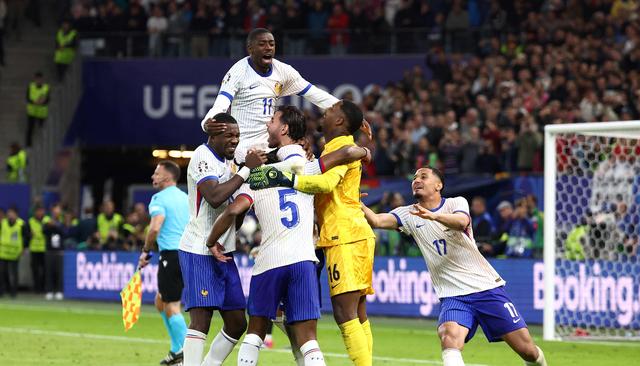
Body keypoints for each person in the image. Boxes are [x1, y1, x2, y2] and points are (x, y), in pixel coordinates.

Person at [209, 105, 370, 366]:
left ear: (283, 128)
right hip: (304, 260)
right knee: (309, 341)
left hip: (269, 262)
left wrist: (212, 241)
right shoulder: (307, 167)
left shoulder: (259, 176)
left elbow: (233, 210)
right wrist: (363, 150)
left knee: (254, 335)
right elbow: (345, 156)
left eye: (272, 120)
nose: (267, 124)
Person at [359, 167, 548, 366]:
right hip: (453, 295)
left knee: (527, 351)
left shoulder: (455, 203)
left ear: (439, 185)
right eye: (414, 178)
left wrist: (434, 216)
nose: (417, 180)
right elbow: (376, 220)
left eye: (423, 177)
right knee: (449, 338)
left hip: (486, 288)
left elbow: (461, 221)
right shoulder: (408, 214)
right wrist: (357, 203)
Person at [201, 28, 371, 165]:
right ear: (250, 49)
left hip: (269, 143)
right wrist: (207, 122)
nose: (268, 48)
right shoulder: (237, 72)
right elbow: (221, 104)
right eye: (262, 44)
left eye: (272, 44)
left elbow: (314, 93)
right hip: (243, 147)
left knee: (302, 158)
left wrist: (351, 114)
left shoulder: (283, 71)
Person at [179, 113, 266, 366]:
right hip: (199, 249)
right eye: (229, 135)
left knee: (238, 322)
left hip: (223, 251)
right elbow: (215, 196)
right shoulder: (201, 157)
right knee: (201, 319)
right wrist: (248, 169)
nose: (234, 140)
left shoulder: (231, 163)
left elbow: (231, 208)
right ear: (213, 135)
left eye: (237, 136)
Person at [137, 160, 189, 365]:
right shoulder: (186, 198)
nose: (153, 177)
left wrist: (146, 251)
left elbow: (155, 228)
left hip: (171, 255)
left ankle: (186, 351)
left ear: (167, 177)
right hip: (187, 254)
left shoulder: (159, 198)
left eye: (156, 173)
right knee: (161, 300)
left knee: (171, 305)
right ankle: (177, 350)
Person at [0, 206, 29, 298]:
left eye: (12, 213)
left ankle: (13, 292)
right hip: (3, 252)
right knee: (2, 273)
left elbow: (26, 237)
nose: (10, 215)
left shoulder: (21, 224)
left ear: (16, 214)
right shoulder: (3, 223)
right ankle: (2, 291)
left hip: (15, 253)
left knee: (13, 274)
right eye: (9, 213)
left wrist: (24, 248)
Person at [28, 204, 49, 293]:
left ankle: (43, 288)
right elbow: (26, 234)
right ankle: (36, 288)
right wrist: (30, 235)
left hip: (44, 248)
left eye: (41, 211)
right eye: (38, 211)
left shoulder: (47, 220)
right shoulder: (30, 221)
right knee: (35, 270)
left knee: (45, 270)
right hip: (34, 249)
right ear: (35, 212)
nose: (40, 213)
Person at [25, 72, 49, 147]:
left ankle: (44, 143)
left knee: (43, 129)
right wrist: (34, 102)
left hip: (42, 112)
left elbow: (48, 99)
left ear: (42, 79)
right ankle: (28, 144)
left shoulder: (46, 87)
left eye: (40, 79)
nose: (38, 81)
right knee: (30, 128)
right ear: (34, 79)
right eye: (37, 79)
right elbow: (27, 98)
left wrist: (43, 101)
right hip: (32, 111)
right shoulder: (30, 86)